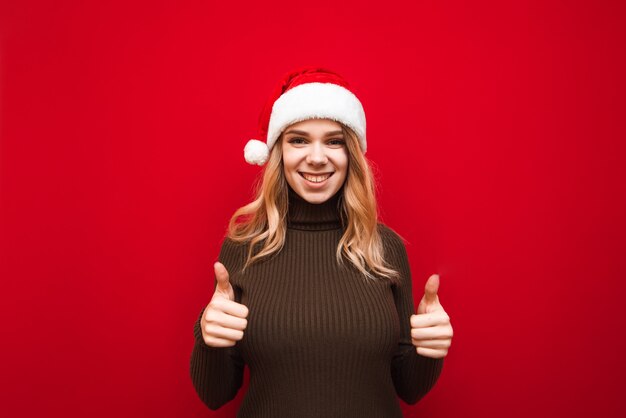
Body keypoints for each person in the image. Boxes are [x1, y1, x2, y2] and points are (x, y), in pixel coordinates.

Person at [189, 67, 454, 417]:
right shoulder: (242, 247)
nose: (316, 157)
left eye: (334, 141)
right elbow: (214, 395)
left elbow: (409, 388)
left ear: (352, 155)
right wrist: (210, 339)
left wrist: (429, 350)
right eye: (298, 139)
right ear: (277, 152)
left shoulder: (385, 248)